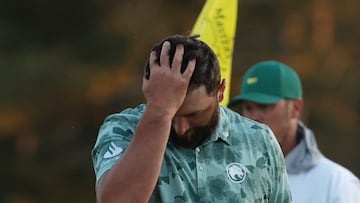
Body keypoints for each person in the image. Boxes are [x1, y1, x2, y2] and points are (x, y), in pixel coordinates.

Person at [91, 35, 292, 202]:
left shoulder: (259, 140)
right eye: (172, 115)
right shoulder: (122, 129)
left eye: (194, 115)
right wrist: (159, 112)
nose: (180, 128)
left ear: (220, 92)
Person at [228, 60, 360, 203]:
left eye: (264, 106)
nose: (253, 118)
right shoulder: (226, 176)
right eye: (248, 107)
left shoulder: (337, 184)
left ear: (296, 108)